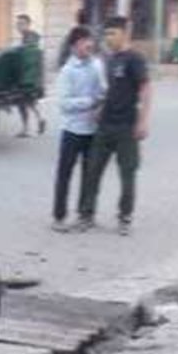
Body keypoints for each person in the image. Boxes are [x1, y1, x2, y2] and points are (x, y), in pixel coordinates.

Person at [76, 16, 152, 237]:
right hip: (105, 126)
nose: (108, 38)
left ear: (125, 33)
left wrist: (143, 121)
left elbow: (145, 89)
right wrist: (101, 108)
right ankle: (87, 214)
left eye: (113, 33)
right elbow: (111, 89)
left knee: (127, 173)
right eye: (106, 34)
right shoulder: (109, 60)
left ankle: (125, 217)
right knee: (92, 170)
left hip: (127, 127)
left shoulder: (135, 59)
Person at [51, 26, 105, 233]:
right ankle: (59, 216)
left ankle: (86, 214)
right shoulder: (67, 71)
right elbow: (64, 103)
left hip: (93, 130)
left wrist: (101, 103)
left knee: (90, 174)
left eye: (90, 41)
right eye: (84, 42)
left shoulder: (97, 65)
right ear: (74, 46)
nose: (89, 45)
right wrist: (90, 102)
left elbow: (104, 91)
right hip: (72, 130)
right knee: (64, 174)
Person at [15, 14, 46, 137]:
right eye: (18, 24)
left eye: (21, 24)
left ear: (28, 24)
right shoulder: (27, 37)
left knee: (23, 102)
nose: (19, 26)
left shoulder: (31, 38)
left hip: (29, 78)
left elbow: (29, 57)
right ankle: (40, 119)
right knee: (29, 101)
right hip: (30, 77)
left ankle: (26, 129)